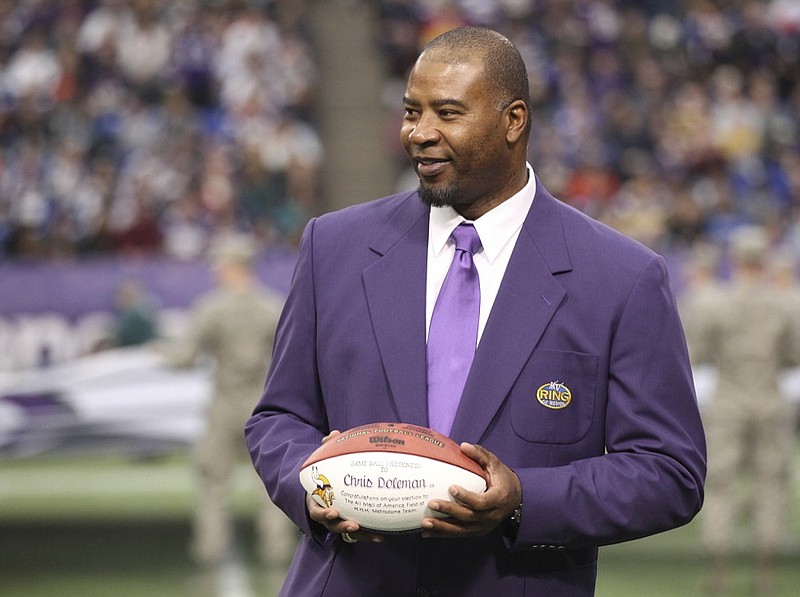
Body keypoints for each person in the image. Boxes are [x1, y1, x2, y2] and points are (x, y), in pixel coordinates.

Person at [245, 27, 706, 596]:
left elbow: (670, 473)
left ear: (513, 121)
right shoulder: (332, 247)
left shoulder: (622, 277)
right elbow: (276, 418)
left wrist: (523, 499)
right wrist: (314, 486)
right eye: (412, 111)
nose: (420, 133)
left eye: (448, 113)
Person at [164, 233, 297, 574]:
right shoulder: (272, 306)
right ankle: (277, 550)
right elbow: (290, 358)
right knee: (269, 485)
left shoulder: (212, 308)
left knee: (213, 484)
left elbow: (186, 356)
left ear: (231, 266)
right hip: (262, 408)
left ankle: (210, 551)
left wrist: (158, 353)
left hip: (223, 405)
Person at [688, 226, 800, 595]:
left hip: (729, 401)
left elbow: (698, 354)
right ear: (764, 259)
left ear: (734, 259)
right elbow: (793, 356)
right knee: (771, 483)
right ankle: (764, 571)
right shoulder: (786, 304)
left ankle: (719, 570)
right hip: (770, 399)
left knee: (720, 485)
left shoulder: (713, 303)